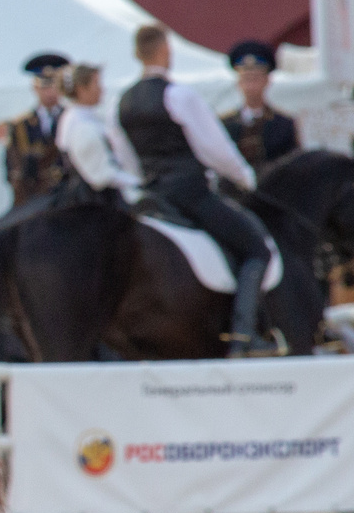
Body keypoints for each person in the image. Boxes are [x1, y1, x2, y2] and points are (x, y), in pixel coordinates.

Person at [118, 22, 270, 355]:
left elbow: (126, 159)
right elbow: (213, 148)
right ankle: (245, 335)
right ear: (165, 51)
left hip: (151, 197)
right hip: (189, 194)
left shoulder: (123, 102)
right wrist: (244, 176)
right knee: (256, 248)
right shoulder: (179, 95)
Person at [56, 62, 140, 200]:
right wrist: (137, 183)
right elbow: (102, 176)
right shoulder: (79, 124)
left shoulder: (81, 117)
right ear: (81, 89)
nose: (102, 89)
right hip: (95, 200)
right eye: (96, 83)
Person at [221, 40, 299, 175]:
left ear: (267, 80)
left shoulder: (283, 123)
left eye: (255, 78)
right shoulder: (225, 123)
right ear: (238, 82)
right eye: (246, 78)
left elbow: (292, 166)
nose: (251, 85)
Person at [5, 53, 71, 207]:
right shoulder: (19, 126)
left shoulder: (71, 119)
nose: (50, 92)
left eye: (53, 85)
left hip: (66, 201)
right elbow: (12, 169)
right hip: (32, 202)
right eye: (45, 86)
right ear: (35, 87)